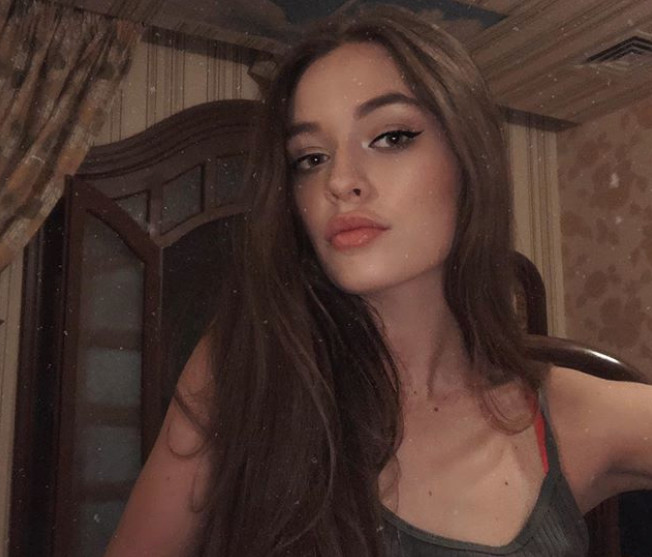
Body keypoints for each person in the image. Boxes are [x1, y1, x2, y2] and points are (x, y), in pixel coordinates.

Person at [104, 5, 652, 557]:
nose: (339, 181)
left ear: (471, 160)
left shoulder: (571, 415)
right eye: (310, 158)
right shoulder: (244, 367)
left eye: (390, 137)